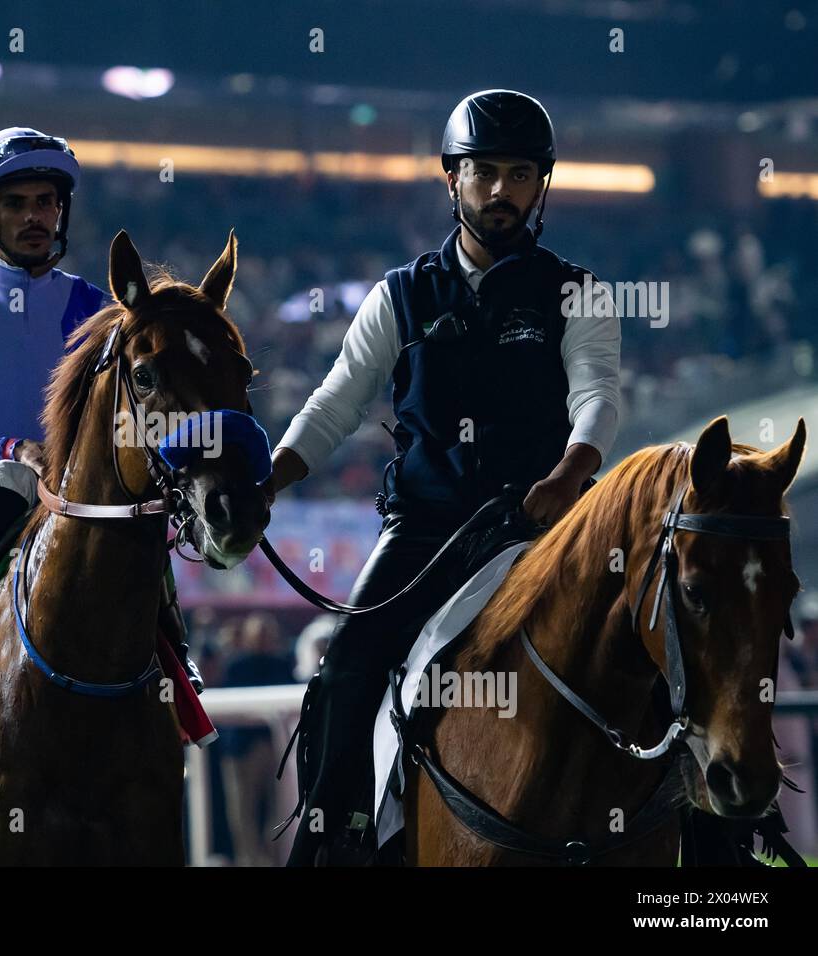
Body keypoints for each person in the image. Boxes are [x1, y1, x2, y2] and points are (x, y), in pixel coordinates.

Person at [264, 90, 622, 865]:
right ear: (450, 180)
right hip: (426, 533)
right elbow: (333, 405)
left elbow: (597, 396)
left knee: (658, 656)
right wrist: (269, 481)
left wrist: (570, 475)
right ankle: (335, 851)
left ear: (542, 184)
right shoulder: (399, 294)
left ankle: (716, 847)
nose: (501, 191)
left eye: (520, 173)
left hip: (545, 531)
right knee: (343, 673)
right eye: (484, 172)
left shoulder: (579, 291)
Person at [0, 127, 202, 702]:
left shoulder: (100, 310)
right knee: (15, 479)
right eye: (16, 204)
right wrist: (9, 450)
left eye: (46, 202)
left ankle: (174, 653)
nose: (35, 217)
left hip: (84, 500)